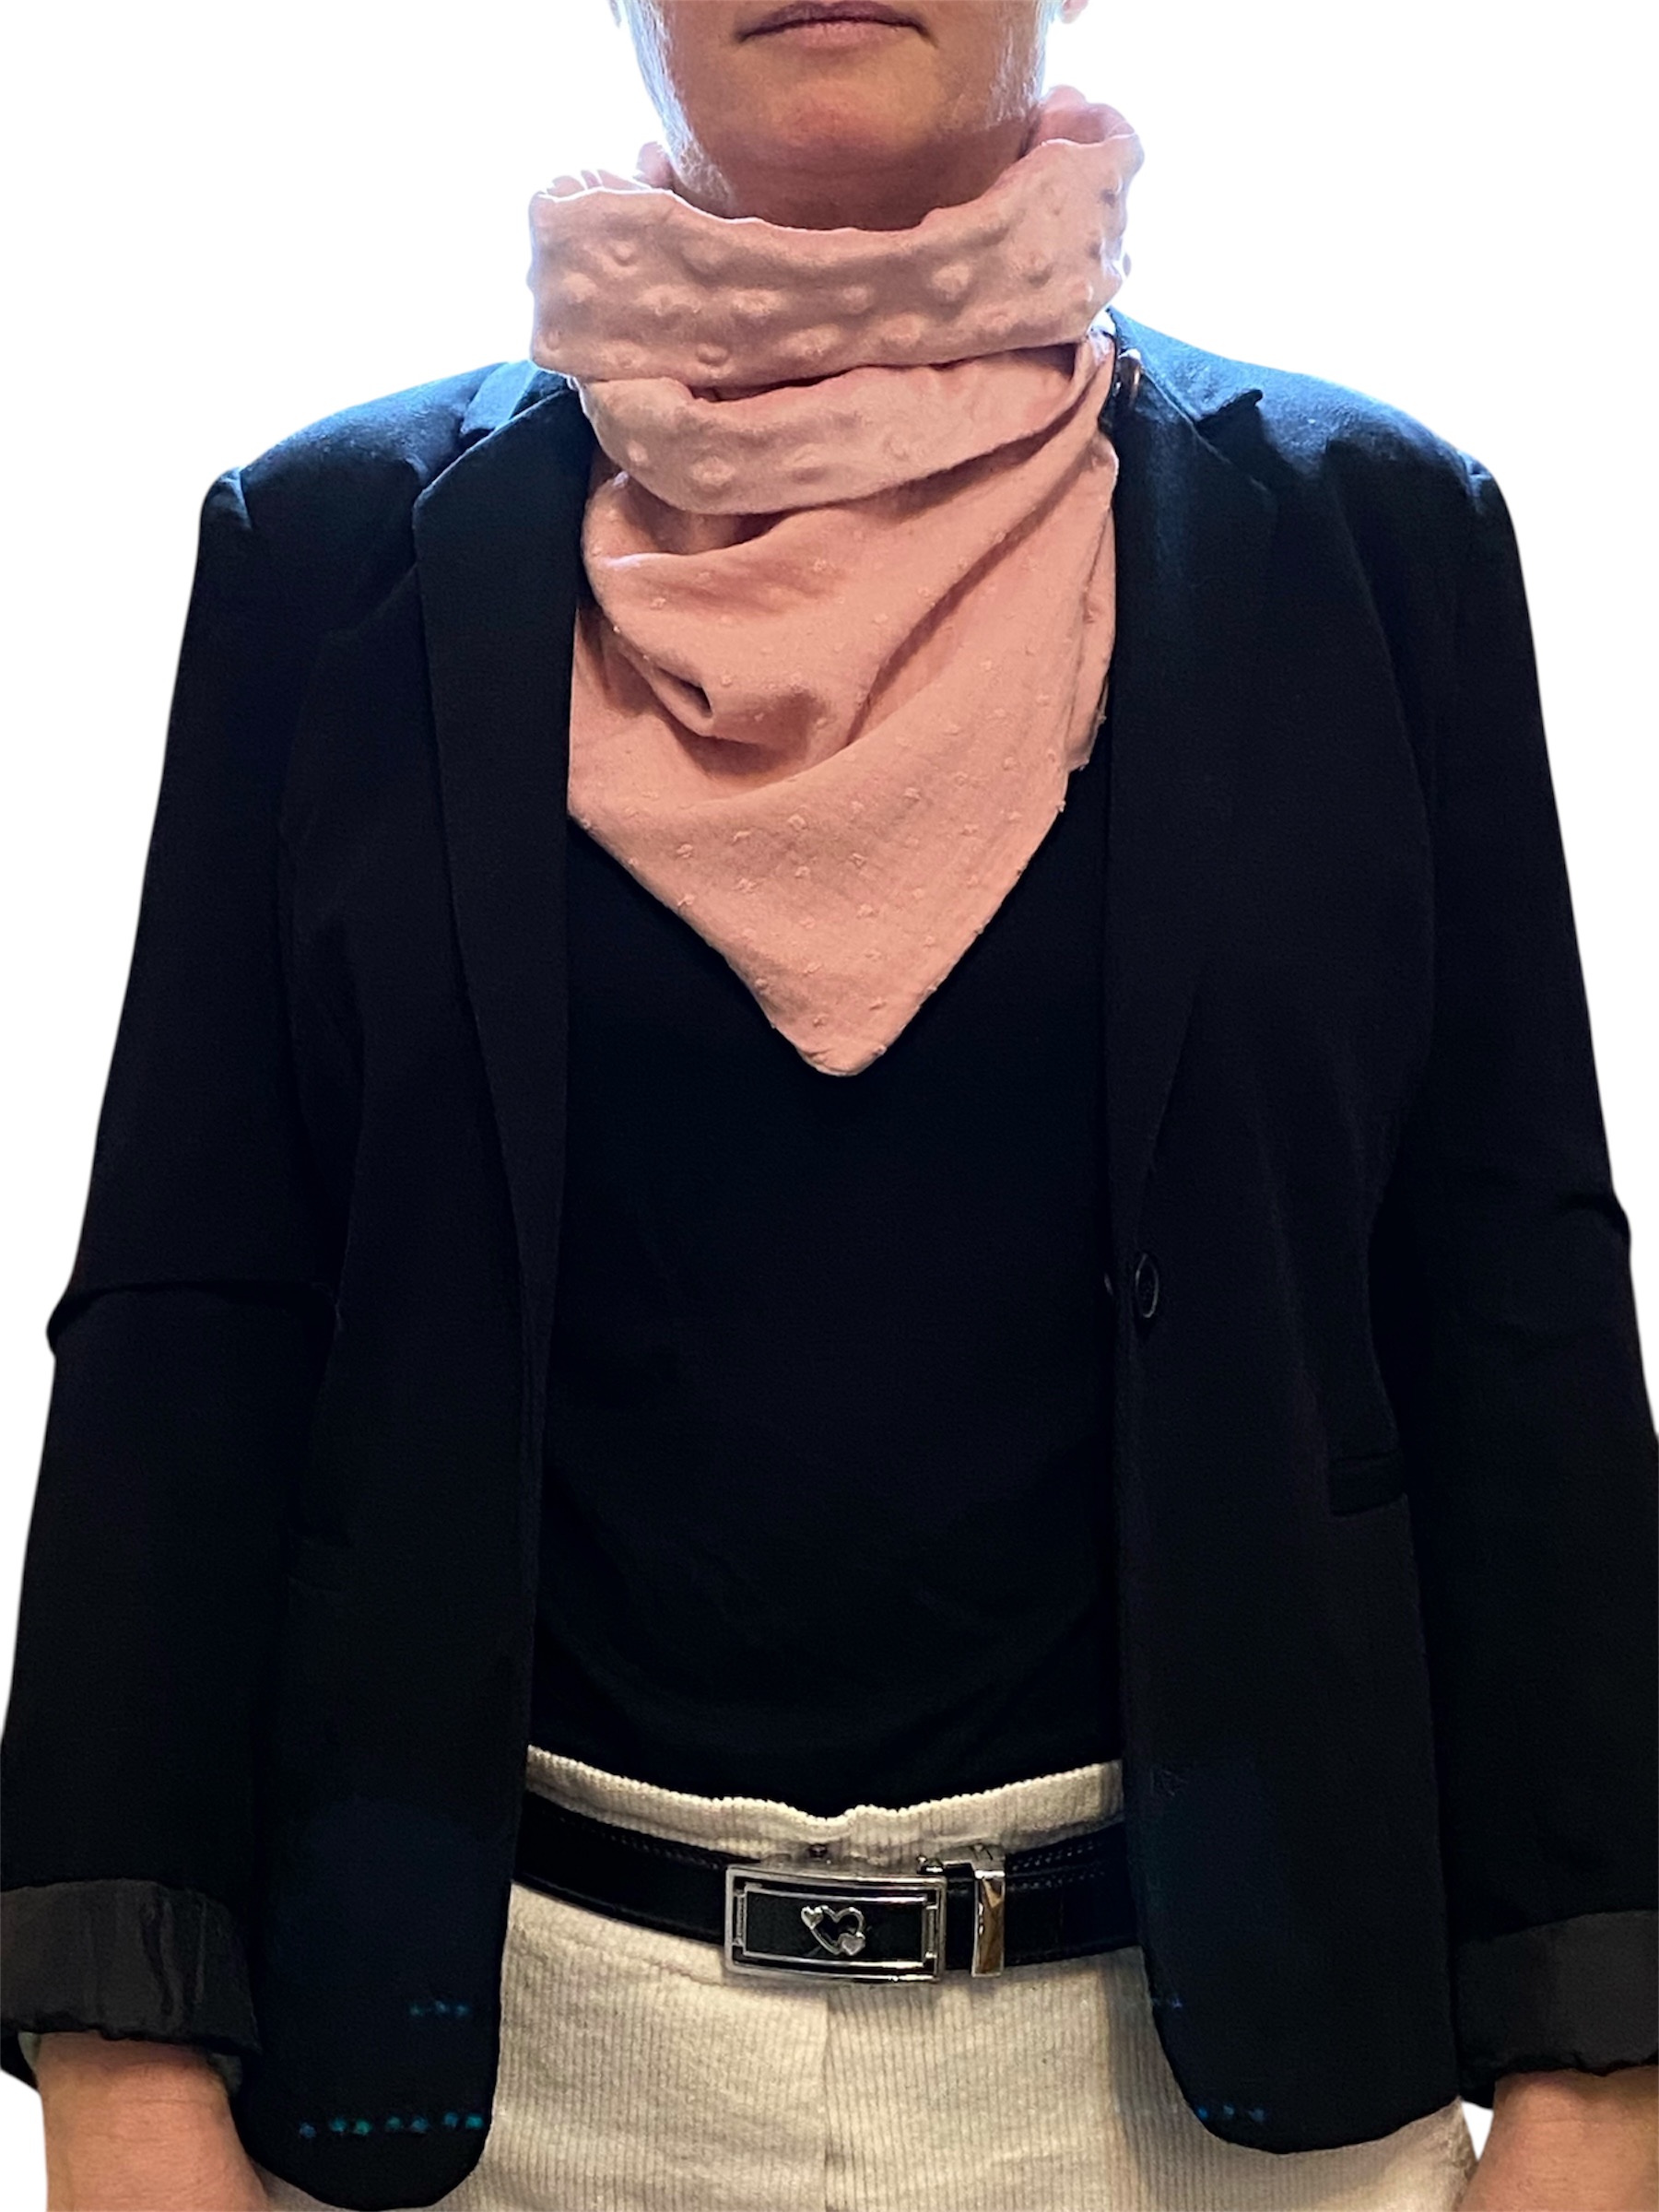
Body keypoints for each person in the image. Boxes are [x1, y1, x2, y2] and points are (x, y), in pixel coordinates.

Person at [3, 1, 1655, 2207]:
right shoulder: (330, 554)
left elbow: (1513, 1299)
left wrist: (1599, 2077)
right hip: (488, 2078)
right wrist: (120, 2063)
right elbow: (194, 1306)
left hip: (1216, 2102)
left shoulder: (1373, 540)